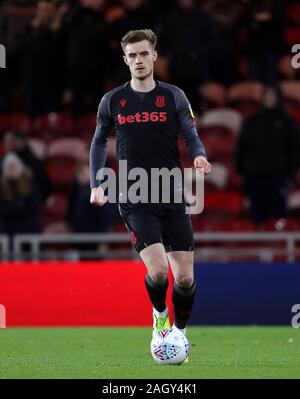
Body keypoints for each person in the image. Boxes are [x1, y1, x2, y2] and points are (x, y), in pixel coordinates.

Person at [89, 29, 211, 352]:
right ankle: (159, 316)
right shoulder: (113, 101)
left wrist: (198, 154)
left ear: (154, 56)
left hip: (171, 194)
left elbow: (190, 130)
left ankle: (179, 333)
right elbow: (99, 140)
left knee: (184, 279)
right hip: (135, 196)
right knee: (158, 271)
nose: (139, 60)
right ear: (125, 59)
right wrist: (96, 183)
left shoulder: (174, 96)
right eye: (133, 56)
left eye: (144, 54)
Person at [236, 85, 300, 227]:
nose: (269, 99)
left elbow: (295, 149)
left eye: (272, 96)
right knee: (257, 218)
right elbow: (241, 148)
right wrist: (243, 172)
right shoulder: (251, 122)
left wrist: (289, 173)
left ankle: (279, 247)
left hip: (279, 178)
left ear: (278, 98)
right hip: (255, 178)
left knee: (279, 218)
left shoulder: (287, 122)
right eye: (266, 95)